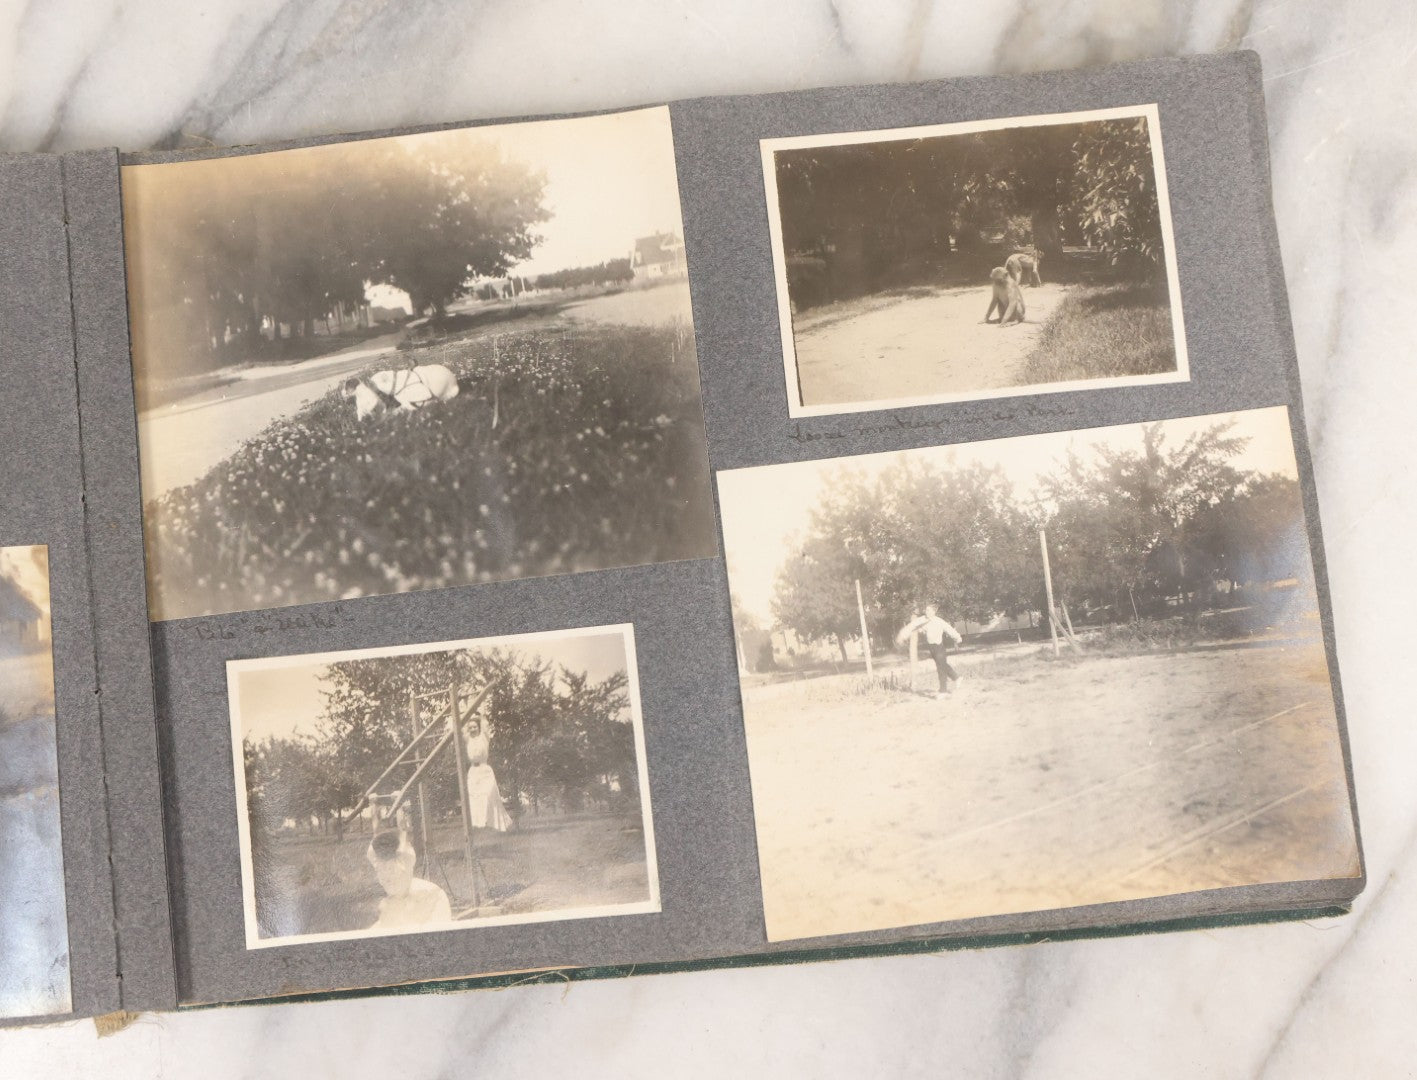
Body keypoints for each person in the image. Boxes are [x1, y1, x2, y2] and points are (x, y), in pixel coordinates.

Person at [365, 828, 453, 930]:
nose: (386, 878)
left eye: (392, 869)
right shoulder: (388, 905)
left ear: (406, 870)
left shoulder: (433, 896)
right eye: (380, 871)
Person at [896, 602, 964, 700]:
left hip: (939, 647)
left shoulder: (939, 621)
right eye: (926, 610)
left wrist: (958, 638)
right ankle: (957, 678)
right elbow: (912, 626)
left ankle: (943, 691)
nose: (926, 611)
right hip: (931, 647)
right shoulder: (922, 620)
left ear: (934, 611)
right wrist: (902, 635)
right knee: (943, 665)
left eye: (928, 610)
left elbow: (949, 629)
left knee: (940, 668)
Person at [463, 719, 513, 832]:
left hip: (484, 770)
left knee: (488, 794)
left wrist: (479, 712)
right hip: (473, 771)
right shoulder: (468, 739)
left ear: (479, 727)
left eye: (474, 727)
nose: (472, 729)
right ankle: (478, 822)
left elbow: (484, 722)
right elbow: (462, 729)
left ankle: (489, 820)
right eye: (470, 727)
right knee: (473, 796)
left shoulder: (484, 738)